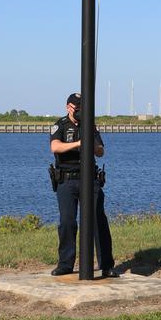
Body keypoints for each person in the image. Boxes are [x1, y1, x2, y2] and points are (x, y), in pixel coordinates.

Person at [49, 92, 116, 277]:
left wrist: (91, 145)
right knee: (67, 222)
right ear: (68, 107)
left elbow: (101, 151)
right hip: (67, 180)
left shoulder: (90, 126)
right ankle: (65, 264)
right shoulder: (60, 125)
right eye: (76, 107)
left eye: (82, 107)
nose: (79, 110)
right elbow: (55, 147)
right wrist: (79, 143)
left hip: (90, 179)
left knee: (98, 221)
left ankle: (107, 265)